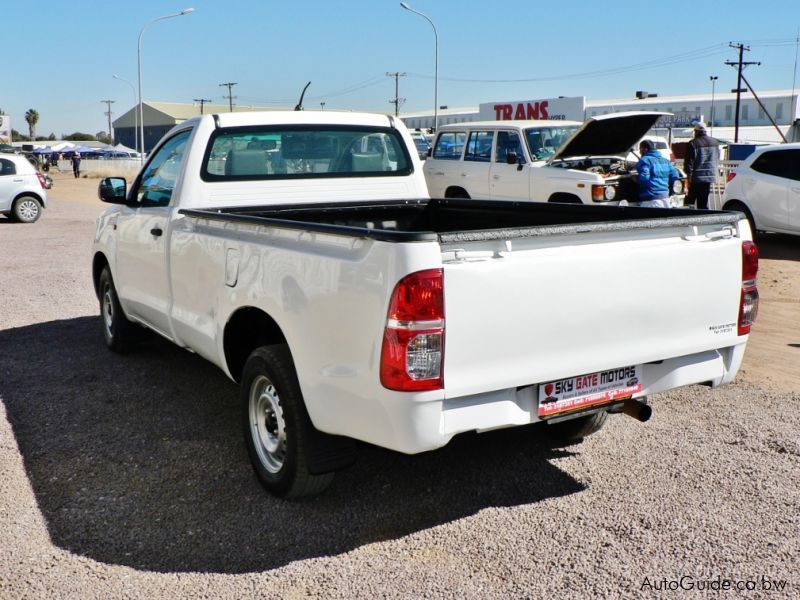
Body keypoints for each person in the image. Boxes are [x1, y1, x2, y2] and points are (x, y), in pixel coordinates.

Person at [683, 122, 720, 209]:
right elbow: (717, 158)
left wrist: (688, 179)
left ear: (696, 131)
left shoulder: (693, 143)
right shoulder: (715, 142)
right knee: (703, 204)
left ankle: (688, 222)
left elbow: (689, 164)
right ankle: (703, 221)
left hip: (695, 179)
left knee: (689, 204)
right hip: (709, 177)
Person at [635, 139, 681, 208]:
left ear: (645, 149)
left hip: (650, 200)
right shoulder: (666, 161)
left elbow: (644, 178)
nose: (639, 152)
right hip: (665, 199)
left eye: (640, 149)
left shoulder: (645, 160)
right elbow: (675, 175)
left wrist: (636, 179)